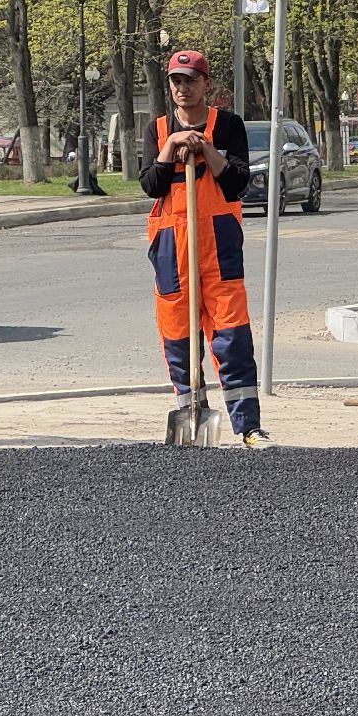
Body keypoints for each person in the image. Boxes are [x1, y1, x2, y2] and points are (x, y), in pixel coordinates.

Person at [138, 50, 272, 449]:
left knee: (232, 335)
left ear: (206, 84)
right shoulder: (158, 129)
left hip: (219, 244)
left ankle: (248, 427)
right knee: (179, 337)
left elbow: (237, 183)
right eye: (176, 81)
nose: (183, 88)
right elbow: (150, 186)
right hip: (171, 247)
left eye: (191, 80)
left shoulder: (228, 126)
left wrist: (205, 148)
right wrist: (172, 146)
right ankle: (192, 413)